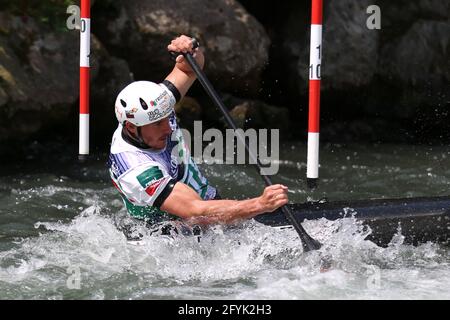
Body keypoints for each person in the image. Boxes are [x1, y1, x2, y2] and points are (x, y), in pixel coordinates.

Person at [107, 35, 288, 237]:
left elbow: (189, 69)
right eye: (158, 124)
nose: (168, 129)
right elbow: (195, 210)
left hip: (207, 214)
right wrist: (259, 204)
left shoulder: (158, 105)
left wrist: (190, 51)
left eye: (168, 118)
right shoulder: (136, 170)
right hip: (166, 239)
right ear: (132, 128)